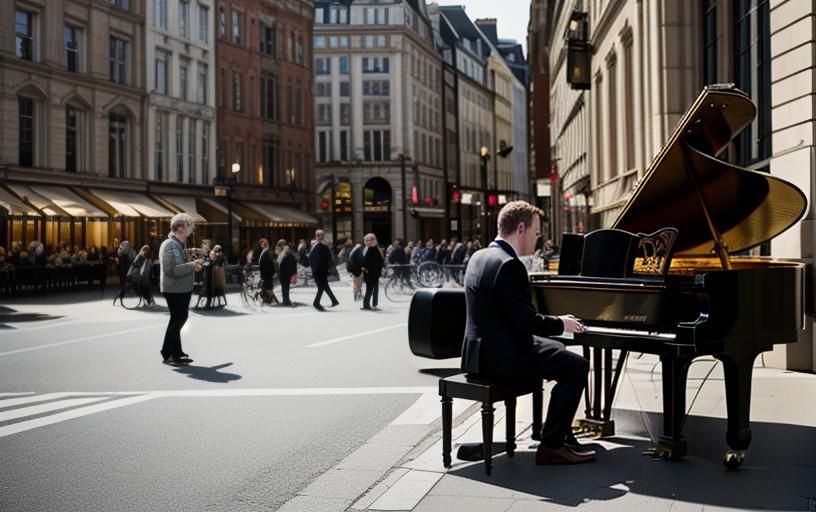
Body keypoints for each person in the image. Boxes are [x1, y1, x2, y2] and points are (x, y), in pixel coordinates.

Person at [461, 200, 594, 465]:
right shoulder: (510, 265)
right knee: (577, 366)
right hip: (502, 357)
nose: (537, 238)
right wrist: (561, 323)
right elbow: (526, 322)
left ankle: (559, 430)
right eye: (535, 232)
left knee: (559, 351)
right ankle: (552, 445)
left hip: (478, 353)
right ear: (520, 228)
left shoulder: (480, 256)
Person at [159, 213, 202, 366]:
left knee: (177, 319)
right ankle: (168, 352)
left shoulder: (177, 244)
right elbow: (171, 270)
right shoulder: (169, 244)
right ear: (179, 228)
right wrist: (192, 265)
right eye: (189, 224)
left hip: (180, 288)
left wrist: (194, 262)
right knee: (179, 319)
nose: (192, 227)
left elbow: (179, 266)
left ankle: (176, 353)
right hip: (174, 289)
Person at [309, 229, 339, 311]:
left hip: (321, 271)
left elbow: (328, 259)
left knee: (321, 287)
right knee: (324, 286)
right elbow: (312, 258)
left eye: (321, 235)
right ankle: (334, 301)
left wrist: (327, 270)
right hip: (317, 271)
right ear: (315, 236)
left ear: (324, 236)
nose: (320, 236)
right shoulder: (314, 245)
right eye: (318, 235)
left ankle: (316, 303)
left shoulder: (324, 246)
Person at [361, 233, 384, 311]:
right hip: (370, 273)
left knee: (372, 289)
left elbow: (380, 260)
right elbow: (364, 261)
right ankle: (367, 305)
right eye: (368, 240)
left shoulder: (376, 249)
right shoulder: (367, 249)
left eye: (372, 239)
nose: (370, 241)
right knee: (370, 289)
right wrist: (366, 269)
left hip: (374, 273)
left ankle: (371, 304)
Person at [276, 239, 297, 306]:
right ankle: (285, 300)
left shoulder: (287, 250)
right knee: (284, 287)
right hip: (282, 272)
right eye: (279, 244)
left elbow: (287, 260)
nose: (280, 246)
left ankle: (286, 300)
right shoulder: (281, 251)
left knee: (286, 287)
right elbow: (279, 261)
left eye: (281, 244)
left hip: (286, 272)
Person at [257, 238, 278, 304]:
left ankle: (272, 301)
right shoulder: (265, 252)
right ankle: (271, 300)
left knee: (268, 289)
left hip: (267, 275)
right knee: (267, 289)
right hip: (266, 275)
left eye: (264, 244)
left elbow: (268, 265)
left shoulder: (266, 253)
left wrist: (270, 274)